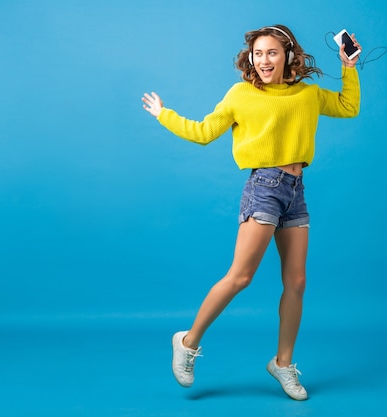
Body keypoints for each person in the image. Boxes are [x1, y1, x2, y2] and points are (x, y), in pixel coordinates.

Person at [142, 24, 360, 401]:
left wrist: (349, 66)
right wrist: (164, 114)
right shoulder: (241, 95)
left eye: (271, 52)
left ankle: (283, 363)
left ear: (288, 54)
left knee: (296, 283)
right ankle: (187, 342)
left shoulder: (307, 95)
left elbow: (348, 106)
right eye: (258, 54)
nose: (263, 60)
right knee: (241, 277)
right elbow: (203, 131)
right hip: (264, 189)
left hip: (295, 190)